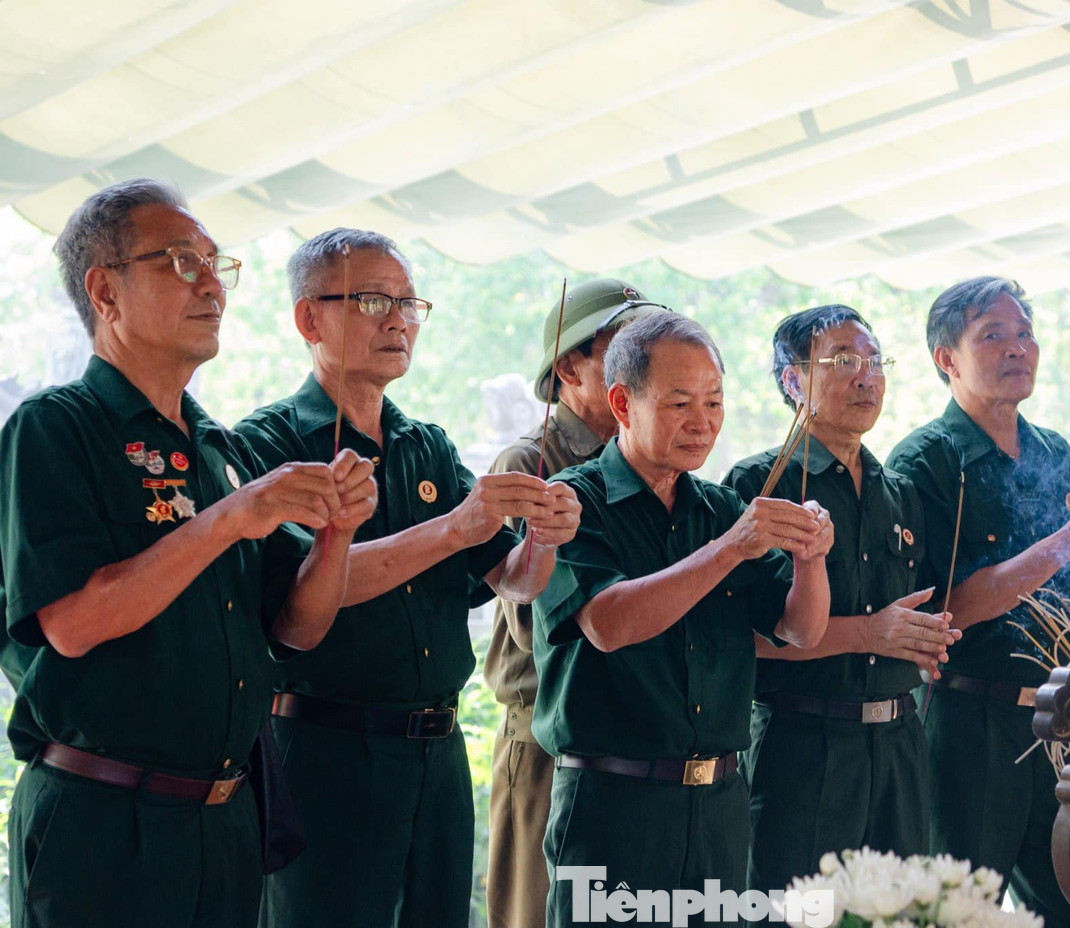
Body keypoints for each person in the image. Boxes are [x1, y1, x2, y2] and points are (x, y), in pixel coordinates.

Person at [0, 180, 375, 928]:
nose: (212, 285)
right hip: (106, 823)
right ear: (105, 292)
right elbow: (74, 624)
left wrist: (336, 536)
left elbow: (295, 627)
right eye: (180, 262)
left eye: (215, 263)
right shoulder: (57, 428)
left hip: (224, 820)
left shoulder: (217, 448)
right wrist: (235, 515)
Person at [234, 229, 579, 928]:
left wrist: (544, 535)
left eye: (409, 304)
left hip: (439, 752)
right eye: (370, 301)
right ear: (309, 319)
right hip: (327, 751)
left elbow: (510, 580)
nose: (397, 320)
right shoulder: (267, 444)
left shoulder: (426, 444)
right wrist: (456, 525)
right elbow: (303, 602)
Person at [531, 312, 833, 927]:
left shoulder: (720, 507)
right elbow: (608, 624)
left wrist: (812, 559)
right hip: (613, 805)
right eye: (679, 404)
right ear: (622, 402)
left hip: (720, 803)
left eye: (715, 402)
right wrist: (731, 549)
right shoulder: (570, 500)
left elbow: (801, 631)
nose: (703, 423)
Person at [886, 276, 1070, 928]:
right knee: (956, 912)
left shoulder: (1055, 453)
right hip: (968, 720)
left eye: (1026, 335)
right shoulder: (928, 461)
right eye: (994, 337)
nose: (1019, 350)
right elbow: (942, 611)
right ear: (946, 359)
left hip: (1060, 727)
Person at [723, 304, 959, 895]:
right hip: (803, 748)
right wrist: (869, 634)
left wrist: (924, 642)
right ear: (793, 380)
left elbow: (904, 616)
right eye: (845, 360)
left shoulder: (898, 492)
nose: (867, 376)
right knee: (798, 910)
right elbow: (741, 642)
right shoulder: (759, 486)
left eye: (876, 361)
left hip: (900, 745)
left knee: (899, 911)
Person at [482, 278, 670, 928]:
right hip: (548, 739)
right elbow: (533, 607)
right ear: (569, 367)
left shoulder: (654, 466)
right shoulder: (532, 463)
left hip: (636, 742)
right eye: (629, 349)